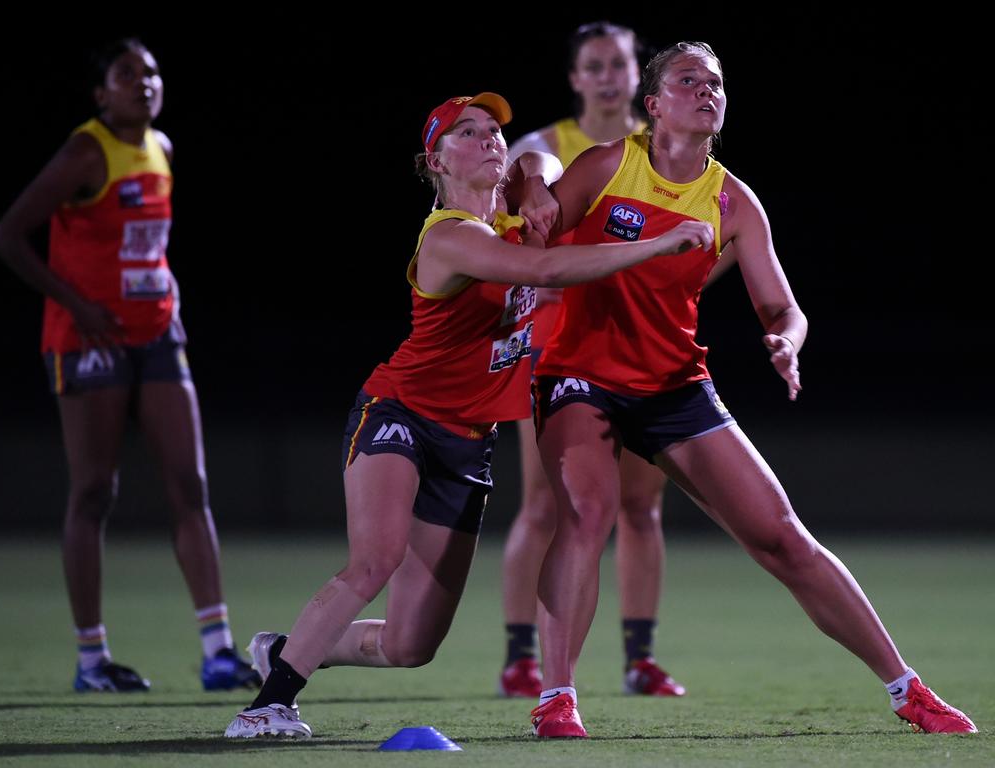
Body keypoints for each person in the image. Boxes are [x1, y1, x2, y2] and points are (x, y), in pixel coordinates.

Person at [222, 92, 715, 738]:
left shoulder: (510, 213)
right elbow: (545, 270)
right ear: (435, 160)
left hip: (467, 443)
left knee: (410, 644)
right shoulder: (451, 236)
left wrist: (536, 179)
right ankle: (267, 704)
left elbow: (536, 151)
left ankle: (288, 649)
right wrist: (657, 243)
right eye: (467, 132)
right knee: (374, 560)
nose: (488, 139)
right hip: (400, 414)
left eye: (492, 131)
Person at [525, 42, 978, 738]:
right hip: (580, 375)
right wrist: (528, 175)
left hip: (675, 384)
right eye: (688, 80)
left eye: (716, 83)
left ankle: (907, 688)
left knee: (784, 538)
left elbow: (785, 309)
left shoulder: (733, 201)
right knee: (587, 514)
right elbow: (535, 231)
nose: (707, 91)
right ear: (654, 104)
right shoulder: (612, 163)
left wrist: (785, 343)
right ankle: (557, 697)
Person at [0, 38, 259, 693]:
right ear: (100, 93)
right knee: (94, 492)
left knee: (191, 484)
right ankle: (91, 660)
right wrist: (75, 304)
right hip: (89, 342)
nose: (145, 83)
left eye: (152, 72)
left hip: (157, 335)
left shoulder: (161, 148)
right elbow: (7, 236)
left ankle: (219, 650)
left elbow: (147, 246)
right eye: (127, 74)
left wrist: (169, 297)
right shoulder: (86, 151)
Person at [499, 20, 684, 700]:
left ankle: (641, 659)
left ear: (638, 75)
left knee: (641, 506)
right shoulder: (548, 145)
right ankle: (520, 658)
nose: (609, 76)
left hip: (640, 347)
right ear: (576, 78)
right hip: (556, 343)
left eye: (619, 64)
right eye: (595, 66)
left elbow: (712, 239)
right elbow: (531, 171)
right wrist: (539, 184)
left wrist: (670, 286)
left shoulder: (662, 148)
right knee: (546, 504)